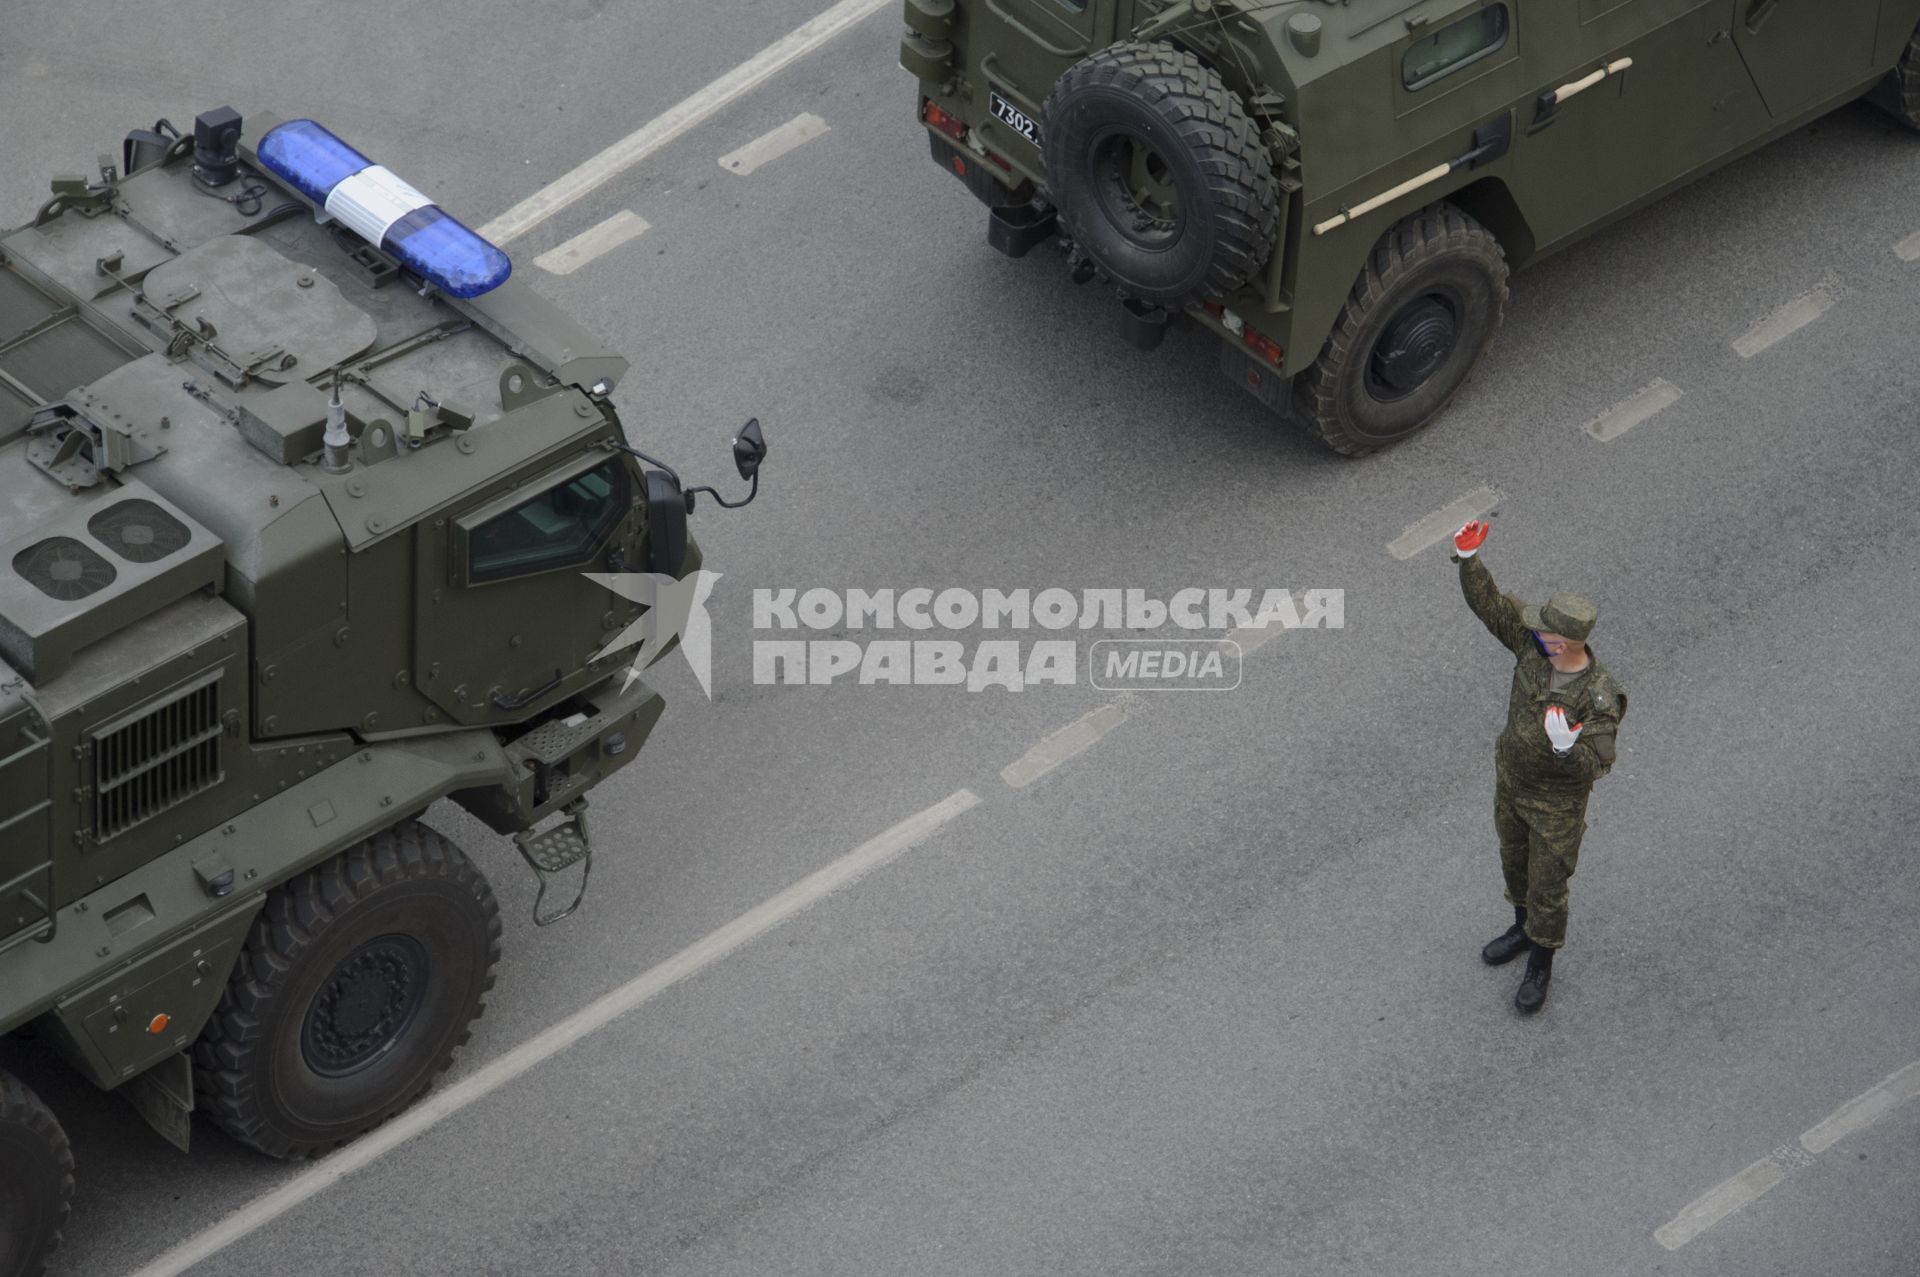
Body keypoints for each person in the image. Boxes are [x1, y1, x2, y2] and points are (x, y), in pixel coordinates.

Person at [1451, 518, 1626, 1014]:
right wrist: (1469, 561)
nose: (1533, 630)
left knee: (1548, 885)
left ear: (1565, 642)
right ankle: (1520, 927)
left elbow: (1594, 767)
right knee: (1514, 864)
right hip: (1511, 783)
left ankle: (1541, 962)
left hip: (1554, 807)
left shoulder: (1598, 696)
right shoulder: (1532, 646)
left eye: (1544, 629)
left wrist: (1567, 748)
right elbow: (1493, 607)